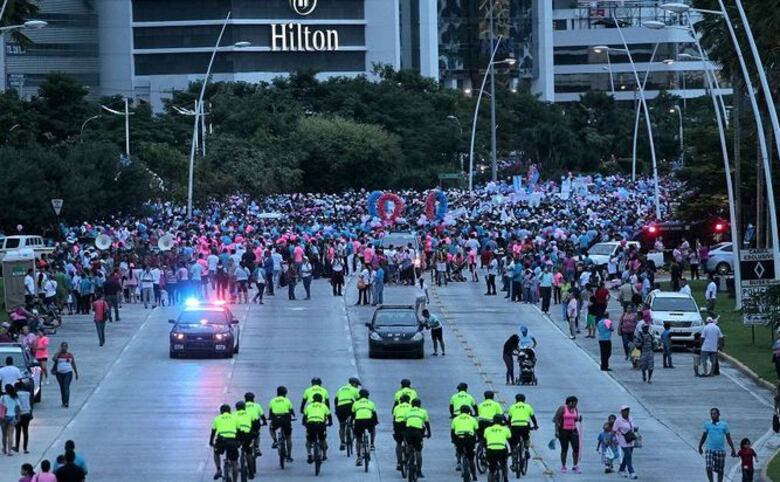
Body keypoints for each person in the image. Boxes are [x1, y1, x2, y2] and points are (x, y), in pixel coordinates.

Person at [699, 407, 737, 482]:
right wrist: (700, 446)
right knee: (708, 467)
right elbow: (704, 436)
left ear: (718, 415)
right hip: (710, 450)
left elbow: (728, 438)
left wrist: (733, 449)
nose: (713, 415)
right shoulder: (707, 424)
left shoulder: (724, 425)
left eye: (714, 414)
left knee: (720, 470)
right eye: (711, 414)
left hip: (720, 450)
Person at [507, 393, 539, 465]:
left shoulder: (512, 407)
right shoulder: (528, 406)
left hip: (515, 426)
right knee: (526, 438)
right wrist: (535, 425)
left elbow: (509, 419)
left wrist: (509, 426)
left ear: (516, 400)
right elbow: (532, 417)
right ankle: (526, 450)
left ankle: (514, 454)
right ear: (524, 400)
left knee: (513, 442)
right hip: (525, 425)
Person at [209, 404, 238, 481]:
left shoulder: (217, 418)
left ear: (221, 412)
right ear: (230, 411)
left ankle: (218, 469)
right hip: (232, 440)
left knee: (216, 453)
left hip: (221, 440)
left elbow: (213, 432)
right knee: (234, 462)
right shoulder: (234, 417)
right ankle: (235, 480)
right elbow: (238, 430)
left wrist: (211, 442)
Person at [553, 395, 581, 474]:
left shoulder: (575, 409)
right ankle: (563, 466)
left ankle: (575, 465)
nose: (576, 405)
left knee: (576, 448)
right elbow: (556, 419)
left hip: (573, 430)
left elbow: (575, 419)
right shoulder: (562, 409)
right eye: (575, 403)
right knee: (564, 449)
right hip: (563, 431)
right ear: (570, 402)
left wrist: (578, 419)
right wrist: (556, 431)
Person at [404, 398, 431, 478]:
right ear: (420, 405)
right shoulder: (423, 411)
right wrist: (429, 433)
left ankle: (408, 457)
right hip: (418, 432)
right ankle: (419, 471)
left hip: (409, 431)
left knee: (409, 446)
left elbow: (405, 422)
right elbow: (426, 423)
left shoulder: (408, 411)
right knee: (418, 451)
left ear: (412, 405)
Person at [268, 386, 296, 462]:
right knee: (288, 438)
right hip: (286, 419)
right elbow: (291, 411)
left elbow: (270, 412)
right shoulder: (287, 400)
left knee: (271, 429)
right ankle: (289, 456)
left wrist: (270, 417)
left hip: (276, 419)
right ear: (285, 393)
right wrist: (294, 416)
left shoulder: (273, 400)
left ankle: (275, 441)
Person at [303, 392, 332, 463]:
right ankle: (324, 455)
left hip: (311, 424)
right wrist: (330, 423)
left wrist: (305, 424)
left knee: (309, 440)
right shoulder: (324, 406)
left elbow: (304, 417)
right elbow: (329, 416)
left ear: (313, 399)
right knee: (322, 439)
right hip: (320, 425)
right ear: (321, 399)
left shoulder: (309, 406)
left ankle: (309, 454)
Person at [353, 388, 378, 466]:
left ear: (360, 396)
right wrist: (376, 422)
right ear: (368, 396)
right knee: (373, 429)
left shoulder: (356, 403)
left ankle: (359, 457)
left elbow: (353, 414)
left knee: (358, 440)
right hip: (368, 421)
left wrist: (352, 423)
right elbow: (374, 414)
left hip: (359, 422)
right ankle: (372, 444)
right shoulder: (371, 403)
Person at [451, 405, 478, 477]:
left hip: (460, 439)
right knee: (471, 458)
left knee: (459, 451)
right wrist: (475, 440)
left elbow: (453, 432)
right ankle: (474, 476)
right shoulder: (473, 419)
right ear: (469, 411)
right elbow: (476, 430)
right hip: (470, 440)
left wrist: (453, 440)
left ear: (460, 411)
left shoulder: (455, 419)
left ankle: (459, 462)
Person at [334, 377, 360, 451]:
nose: (357, 386)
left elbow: (336, 400)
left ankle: (342, 442)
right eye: (357, 385)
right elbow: (359, 401)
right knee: (355, 419)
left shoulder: (340, 389)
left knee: (342, 425)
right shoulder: (355, 389)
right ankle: (354, 431)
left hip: (340, 407)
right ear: (354, 383)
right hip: (349, 405)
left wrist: (336, 410)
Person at [613, 405, 638, 479]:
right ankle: (631, 472)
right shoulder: (618, 420)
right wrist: (615, 439)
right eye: (624, 410)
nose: (626, 412)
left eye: (627, 410)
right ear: (621, 412)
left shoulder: (630, 418)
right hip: (623, 440)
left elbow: (633, 427)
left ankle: (621, 469)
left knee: (627, 456)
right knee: (628, 456)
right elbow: (614, 431)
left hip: (631, 439)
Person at [484, 414, 511, 480]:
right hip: (501, 450)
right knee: (504, 463)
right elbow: (509, 437)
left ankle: (491, 474)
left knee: (491, 467)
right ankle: (505, 478)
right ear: (502, 421)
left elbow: (485, 437)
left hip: (490, 450)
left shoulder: (487, 429)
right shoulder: (505, 429)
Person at [52, 342, 78, 407]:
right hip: (59, 373)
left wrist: (76, 373)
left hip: (68, 372)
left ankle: (66, 402)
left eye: (65, 347)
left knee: (66, 387)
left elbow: (73, 364)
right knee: (62, 387)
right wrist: (58, 352)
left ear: (67, 348)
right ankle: (63, 402)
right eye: (63, 347)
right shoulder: (58, 355)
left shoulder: (70, 355)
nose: (64, 348)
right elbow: (53, 359)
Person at [393, 394, 413, 470]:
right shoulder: (411, 407)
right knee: (409, 441)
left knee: (398, 443)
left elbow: (394, 418)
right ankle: (408, 454)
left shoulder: (397, 407)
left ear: (400, 401)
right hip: (407, 424)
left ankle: (399, 462)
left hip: (398, 424)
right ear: (409, 401)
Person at [13, 381, 32, 453]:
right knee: (25, 431)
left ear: (17, 388)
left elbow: (16, 406)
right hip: (27, 413)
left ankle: (17, 447)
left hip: (19, 414)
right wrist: (30, 413)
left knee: (18, 431)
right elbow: (30, 403)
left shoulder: (15, 395)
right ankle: (25, 448)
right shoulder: (28, 394)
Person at [1, 384, 19, 455]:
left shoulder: (3, 397)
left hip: (4, 417)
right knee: (11, 434)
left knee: (4, 435)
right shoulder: (15, 397)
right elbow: (17, 408)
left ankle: (4, 449)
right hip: (12, 416)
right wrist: (18, 417)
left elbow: (1, 407)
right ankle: (9, 451)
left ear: (6, 390)